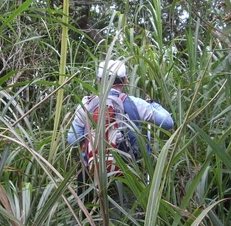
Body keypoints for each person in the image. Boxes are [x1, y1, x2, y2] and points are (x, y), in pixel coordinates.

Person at [67, 59, 174, 197]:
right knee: (126, 213)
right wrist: (154, 104)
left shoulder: (86, 104)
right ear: (125, 80)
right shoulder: (135, 104)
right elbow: (168, 122)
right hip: (126, 171)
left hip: (92, 173)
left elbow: (72, 139)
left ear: (100, 80)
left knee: (89, 214)